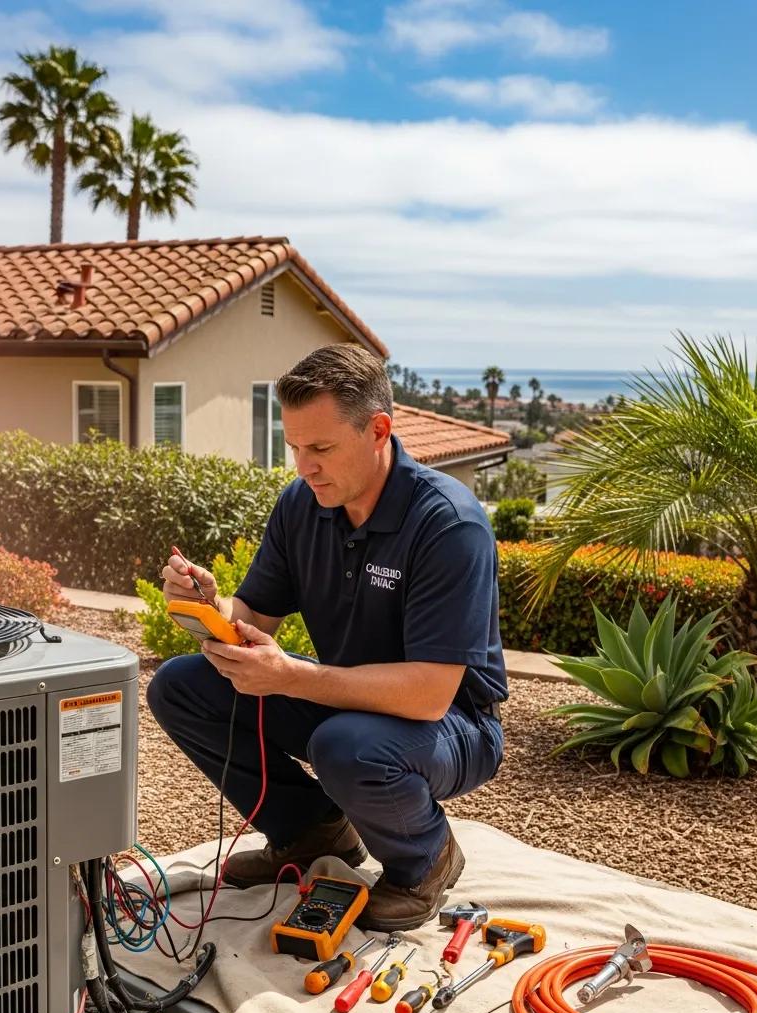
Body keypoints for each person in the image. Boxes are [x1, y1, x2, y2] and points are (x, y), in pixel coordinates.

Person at [148, 344, 507, 931]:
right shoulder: (303, 504)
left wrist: (294, 676)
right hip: (340, 702)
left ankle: (425, 860)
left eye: (320, 448)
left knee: (345, 745)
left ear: (378, 431)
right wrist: (209, 604)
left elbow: (430, 695)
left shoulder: (448, 524)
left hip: (454, 726)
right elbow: (254, 618)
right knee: (181, 687)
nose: (303, 466)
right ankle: (311, 833)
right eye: (293, 447)